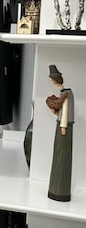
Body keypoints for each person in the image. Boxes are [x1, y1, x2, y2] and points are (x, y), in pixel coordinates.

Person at [46, 65, 74, 202]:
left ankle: (60, 190)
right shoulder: (63, 93)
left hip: (64, 127)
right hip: (62, 125)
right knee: (59, 153)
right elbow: (62, 110)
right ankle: (56, 188)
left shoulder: (66, 94)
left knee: (62, 155)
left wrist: (63, 126)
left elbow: (66, 111)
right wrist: (55, 112)